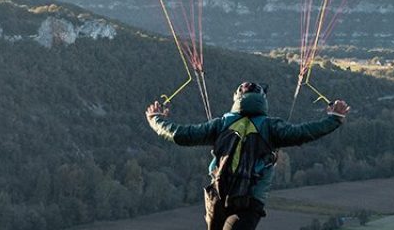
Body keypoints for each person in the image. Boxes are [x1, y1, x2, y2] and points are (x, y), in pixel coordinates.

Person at [147, 81, 350, 230]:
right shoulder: (271, 128)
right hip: (249, 202)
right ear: (263, 100)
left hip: (218, 195)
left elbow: (180, 135)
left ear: (236, 97)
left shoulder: (221, 124)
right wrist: (334, 119)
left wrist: (156, 119)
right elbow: (305, 132)